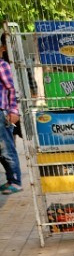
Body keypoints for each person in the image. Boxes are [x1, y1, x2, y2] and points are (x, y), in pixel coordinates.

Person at [0, 35, 22, 194]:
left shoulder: (2, 65)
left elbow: (12, 89)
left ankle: (16, 181)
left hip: (2, 113)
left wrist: (14, 110)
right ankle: (10, 180)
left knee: (6, 148)